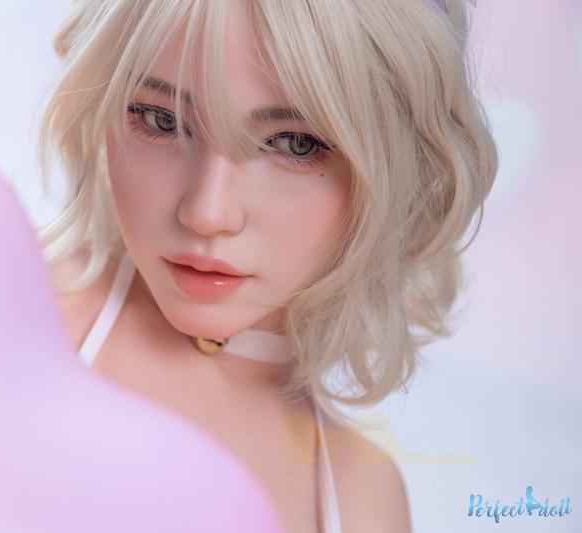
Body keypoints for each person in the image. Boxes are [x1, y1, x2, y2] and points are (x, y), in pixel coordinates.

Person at [36, 0, 498, 531]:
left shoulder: (361, 499)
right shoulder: (21, 315)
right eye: (162, 119)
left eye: (294, 144)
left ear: (392, 165)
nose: (207, 213)